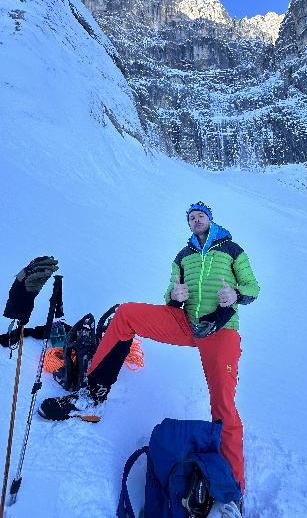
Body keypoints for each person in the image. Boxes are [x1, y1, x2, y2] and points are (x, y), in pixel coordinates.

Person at [38, 201, 260, 501]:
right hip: (186, 323)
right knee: (126, 314)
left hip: (220, 329)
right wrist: (174, 296)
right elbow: (170, 292)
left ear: (211, 219)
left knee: (223, 404)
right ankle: (92, 395)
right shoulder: (184, 256)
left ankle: (233, 495)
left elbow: (253, 287)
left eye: (201, 216)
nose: (196, 221)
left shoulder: (232, 250)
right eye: (191, 218)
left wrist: (235, 293)